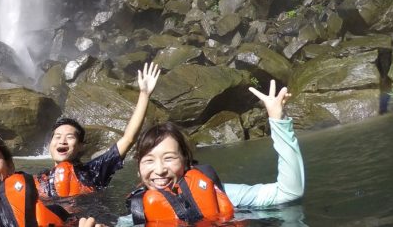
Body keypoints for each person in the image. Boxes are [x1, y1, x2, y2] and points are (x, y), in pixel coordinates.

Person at [117, 80, 305, 226]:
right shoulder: (134, 216)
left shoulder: (220, 194)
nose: (159, 170)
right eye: (149, 160)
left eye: (169, 158)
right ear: (138, 170)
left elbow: (288, 193)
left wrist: (278, 122)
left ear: (186, 161)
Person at [37, 62, 160, 199]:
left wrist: (144, 94)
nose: (62, 141)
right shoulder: (41, 180)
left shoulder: (95, 170)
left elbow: (128, 139)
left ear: (80, 146)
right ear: (49, 145)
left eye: (70, 137)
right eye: (58, 137)